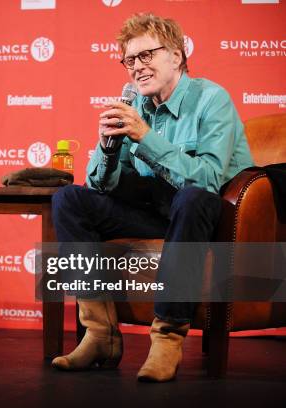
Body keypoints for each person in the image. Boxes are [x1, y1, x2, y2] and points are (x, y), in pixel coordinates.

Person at [50, 14, 254, 382]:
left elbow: (208, 179)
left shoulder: (212, 99)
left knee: (190, 198)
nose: (137, 68)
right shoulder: (137, 106)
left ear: (176, 56)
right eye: (130, 61)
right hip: (158, 211)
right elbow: (101, 188)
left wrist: (146, 137)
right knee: (69, 199)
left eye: (147, 56)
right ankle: (99, 334)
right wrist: (107, 148)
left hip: (210, 216)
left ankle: (168, 337)